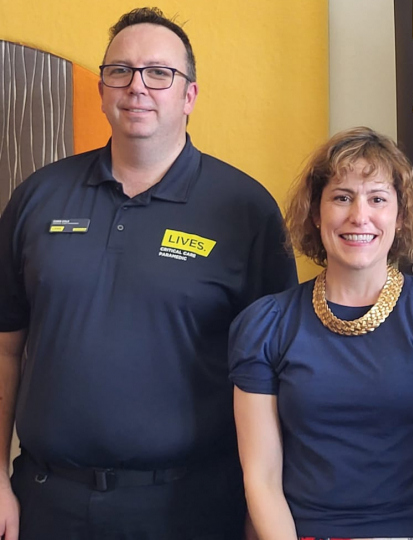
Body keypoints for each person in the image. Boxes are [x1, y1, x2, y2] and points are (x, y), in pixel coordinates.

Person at [0, 7, 297, 539]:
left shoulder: (245, 210)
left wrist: (263, 511)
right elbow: (4, 348)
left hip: (191, 507)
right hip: (46, 502)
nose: (137, 86)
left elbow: (276, 373)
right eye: (121, 70)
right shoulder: (38, 197)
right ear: (101, 88)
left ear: (189, 96)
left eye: (159, 73)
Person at [229, 127, 413, 540]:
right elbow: (261, 478)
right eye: (342, 196)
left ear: (401, 216)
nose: (359, 216)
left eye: (378, 199)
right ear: (316, 214)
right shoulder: (265, 325)